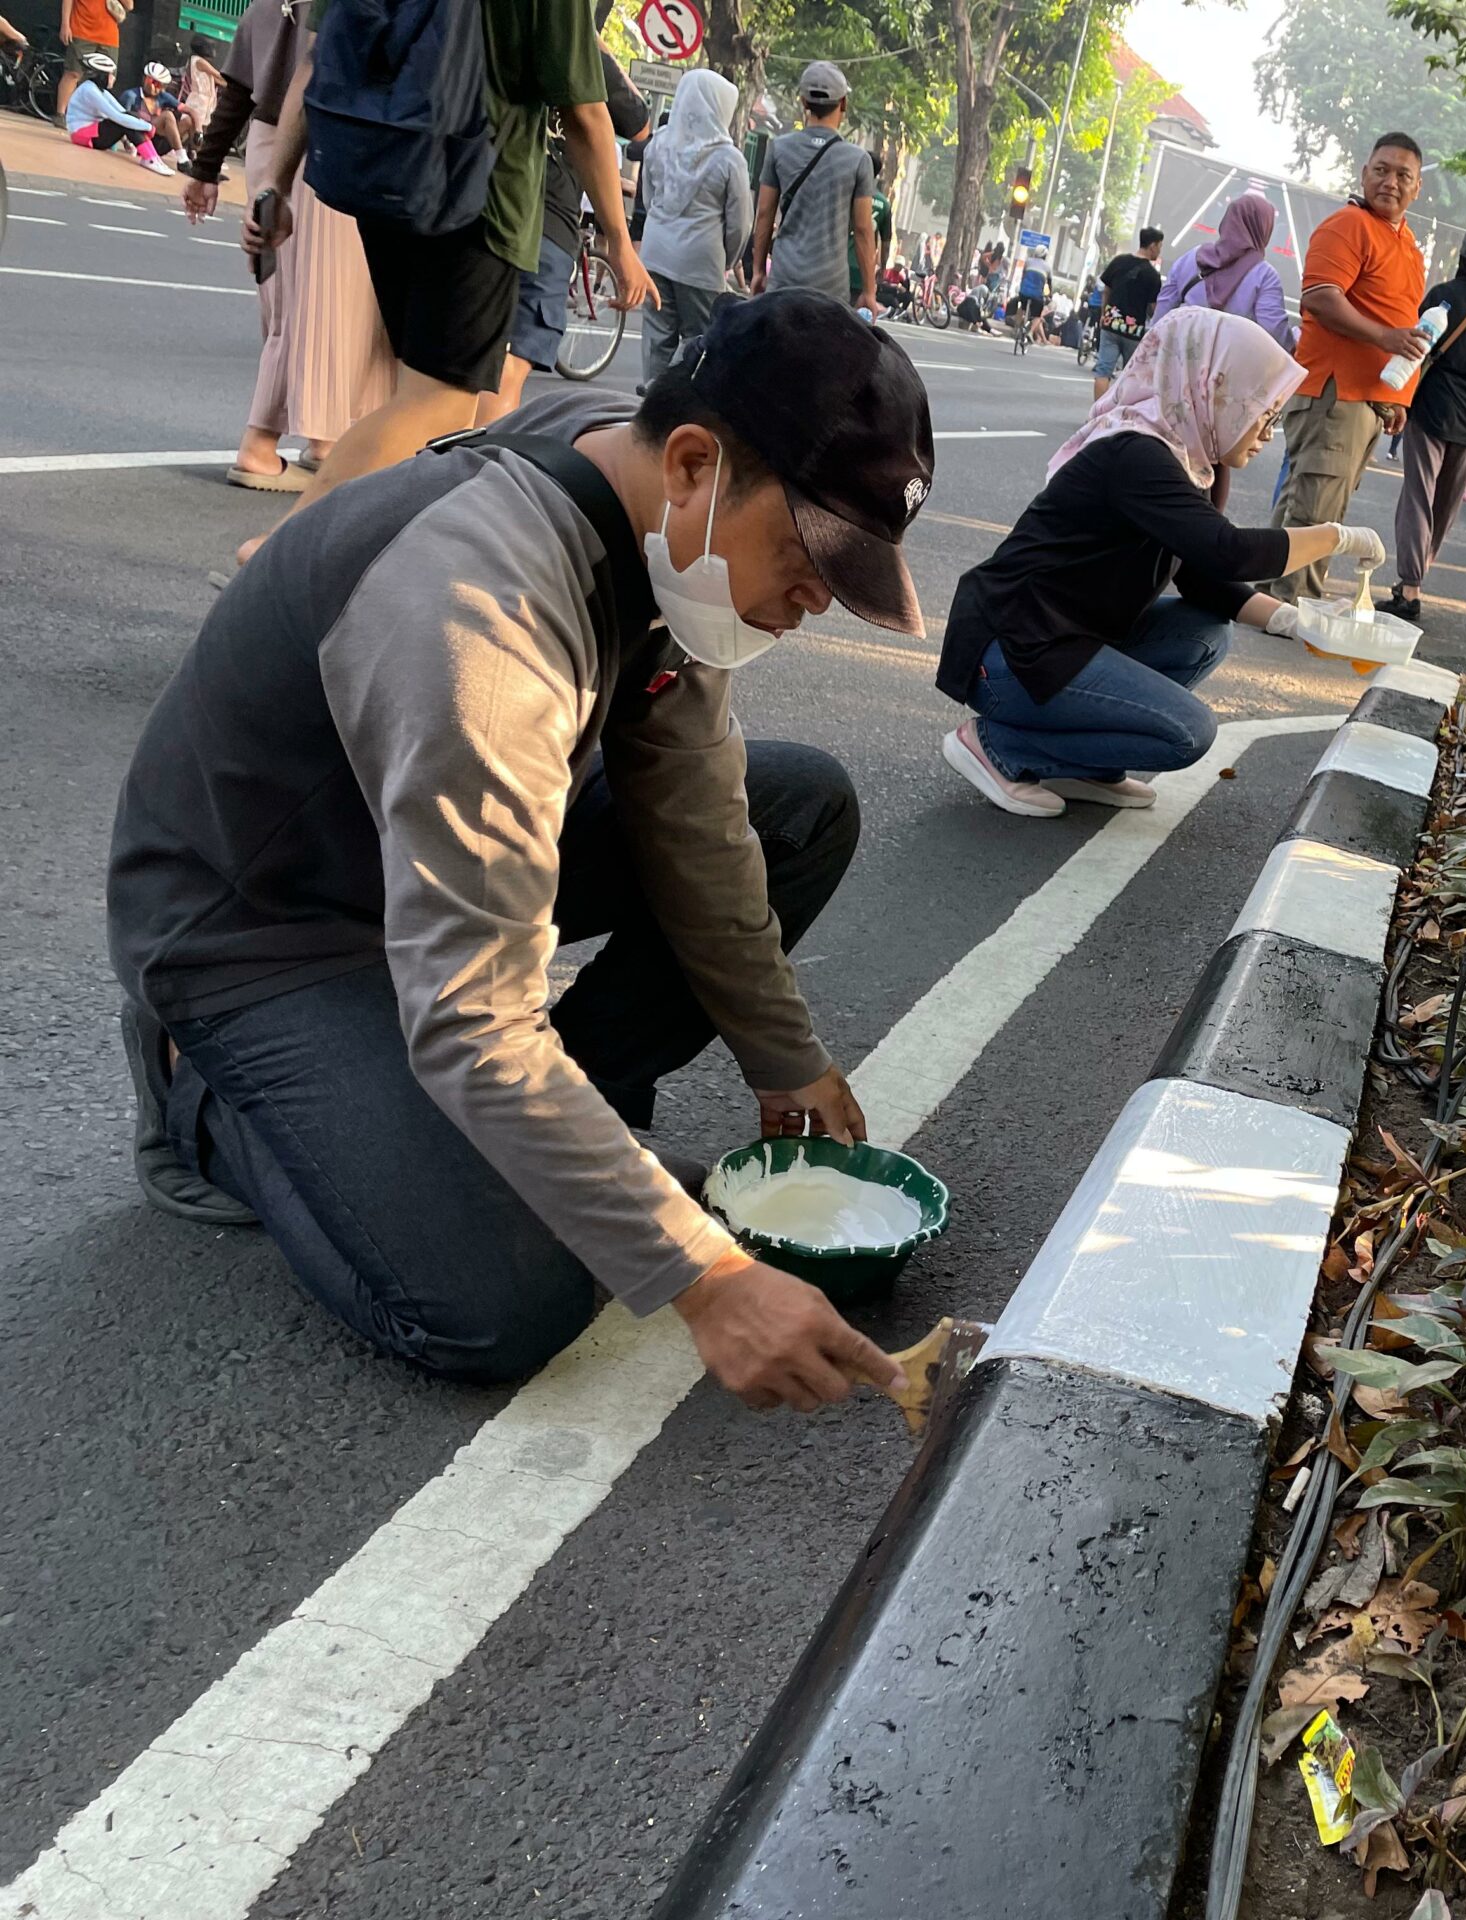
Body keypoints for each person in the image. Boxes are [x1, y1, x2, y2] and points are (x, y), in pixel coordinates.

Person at [107, 292, 935, 1412]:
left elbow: (693, 811)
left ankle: (535, 1127)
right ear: (693, 463)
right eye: (807, 558)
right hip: (265, 933)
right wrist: (707, 1277)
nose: (811, 605)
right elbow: (471, 1013)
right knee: (508, 1300)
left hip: (410, 859)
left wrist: (781, 1054)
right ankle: (202, 1096)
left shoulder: (647, 491)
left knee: (795, 808)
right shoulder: (477, 615)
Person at [238, 0, 655, 560]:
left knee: (410, 392)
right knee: (438, 402)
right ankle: (280, 555)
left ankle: (360, 567)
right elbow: (585, 113)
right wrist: (619, 241)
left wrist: (275, 184)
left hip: (380, 181)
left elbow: (315, 66)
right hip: (478, 199)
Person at [936, 306, 1387, 819]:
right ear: (1213, 391)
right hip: (1011, 650)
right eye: (1261, 411)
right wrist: (1335, 536)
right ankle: (999, 745)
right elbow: (1229, 552)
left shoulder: (1189, 459)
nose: (1266, 433)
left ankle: (1086, 766)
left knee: (1206, 634)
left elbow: (1201, 575)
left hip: (1065, 636)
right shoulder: (1136, 453)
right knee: (1187, 734)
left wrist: (1297, 622)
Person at [182, 0, 393, 491]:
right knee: (328, 302)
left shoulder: (266, 5)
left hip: (267, 143)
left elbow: (239, 87)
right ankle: (264, 443)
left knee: (286, 295)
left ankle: (323, 439)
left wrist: (206, 170)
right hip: (319, 143)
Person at [1267, 133, 1431, 604]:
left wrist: (1394, 398)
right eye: (1381, 169)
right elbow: (1320, 296)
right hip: (1334, 394)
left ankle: (1275, 597)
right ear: (1364, 173)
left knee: (1315, 502)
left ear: (1417, 188)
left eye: (1404, 175)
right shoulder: (1349, 225)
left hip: (1366, 399)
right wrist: (1384, 338)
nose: (1391, 182)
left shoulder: (1407, 245)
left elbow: (1396, 318)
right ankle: (1290, 605)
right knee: (1316, 508)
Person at [481, 58, 649, 422]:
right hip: (543, 212)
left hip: (470, 190)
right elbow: (634, 121)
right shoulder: (569, 32)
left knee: (447, 371)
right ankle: (464, 469)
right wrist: (620, 246)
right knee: (507, 371)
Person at [1385, 220, 1466, 622]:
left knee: (1418, 494)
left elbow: (1417, 348)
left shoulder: (1442, 295)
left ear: (1462, 252)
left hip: (1433, 404)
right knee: (1445, 504)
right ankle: (1415, 580)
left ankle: (1410, 587)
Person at [635, 68, 749, 385]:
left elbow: (649, 195)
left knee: (657, 336)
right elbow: (740, 223)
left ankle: (650, 403)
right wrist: (726, 260)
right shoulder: (729, 159)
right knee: (702, 340)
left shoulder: (658, 144)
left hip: (656, 254)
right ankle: (686, 408)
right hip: (701, 261)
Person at [752, 64, 877, 315]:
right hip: (830, 287)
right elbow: (863, 229)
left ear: (803, 102)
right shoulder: (858, 160)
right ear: (843, 103)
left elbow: (764, 213)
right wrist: (869, 292)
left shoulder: (779, 148)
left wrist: (757, 271)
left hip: (784, 278)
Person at [1154, 193, 1291, 348]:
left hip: (1179, 354)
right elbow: (1273, 330)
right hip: (1227, 365)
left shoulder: (1193, 257)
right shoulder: (1264, 275)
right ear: (1264, 228)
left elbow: (1163, 308)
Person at [66, 55, 174, 174]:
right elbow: (116, 117)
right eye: (111, 74)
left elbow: (121, 111)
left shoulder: (99, 90)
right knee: (126, 123)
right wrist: (148, 127)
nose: (113, 78)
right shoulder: (90, 90)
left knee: (130, 116)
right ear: (102, 76)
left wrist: (141, 123)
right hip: (83, 135)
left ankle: (153, 157)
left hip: (91, 132)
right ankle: (150, 159)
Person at [1091, 226, 1163, 395]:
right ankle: (1119, 415)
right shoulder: (1152, 275)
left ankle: (1097, 415)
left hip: (1111, 323)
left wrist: (1104, 315)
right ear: (1152, 246)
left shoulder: (1119, 261)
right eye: (1159, 246)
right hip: (1133, 331)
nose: (1159, 251)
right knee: (1129, 376)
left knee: (1103, 371)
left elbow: (1106, 291)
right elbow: (1154, 308)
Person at [55, 0, 115, 118]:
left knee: (106, 80)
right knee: (73, 72)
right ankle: (60, 113)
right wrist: (65, 24)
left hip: (109, 35)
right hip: (82, 29)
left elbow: (129, 5)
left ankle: (89, 117)